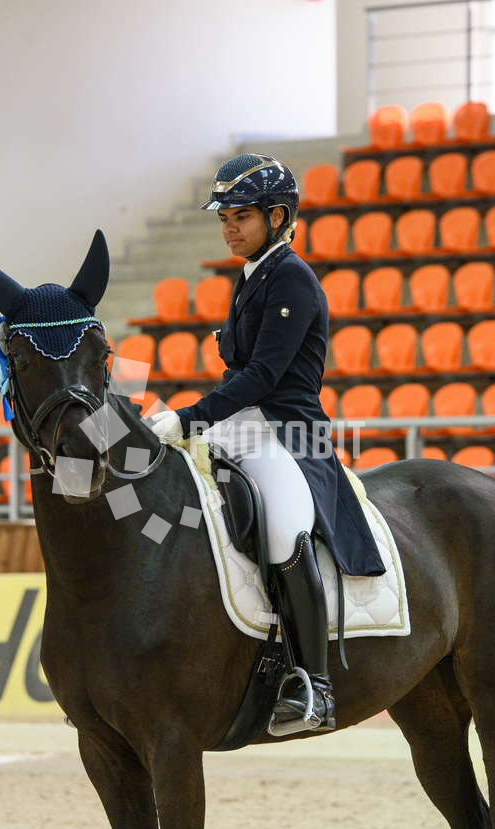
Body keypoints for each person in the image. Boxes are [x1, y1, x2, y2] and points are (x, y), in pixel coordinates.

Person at [146, 153, 386, 734]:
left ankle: (314, 685)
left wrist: (190, 417)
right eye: (224, 219)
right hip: (240, 425)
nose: (229, 229)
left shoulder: (292, 278)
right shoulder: (253, 274)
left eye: (241, 217)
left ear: (278, 216)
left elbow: (263, 376)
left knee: (283, 526)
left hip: (286, 430)